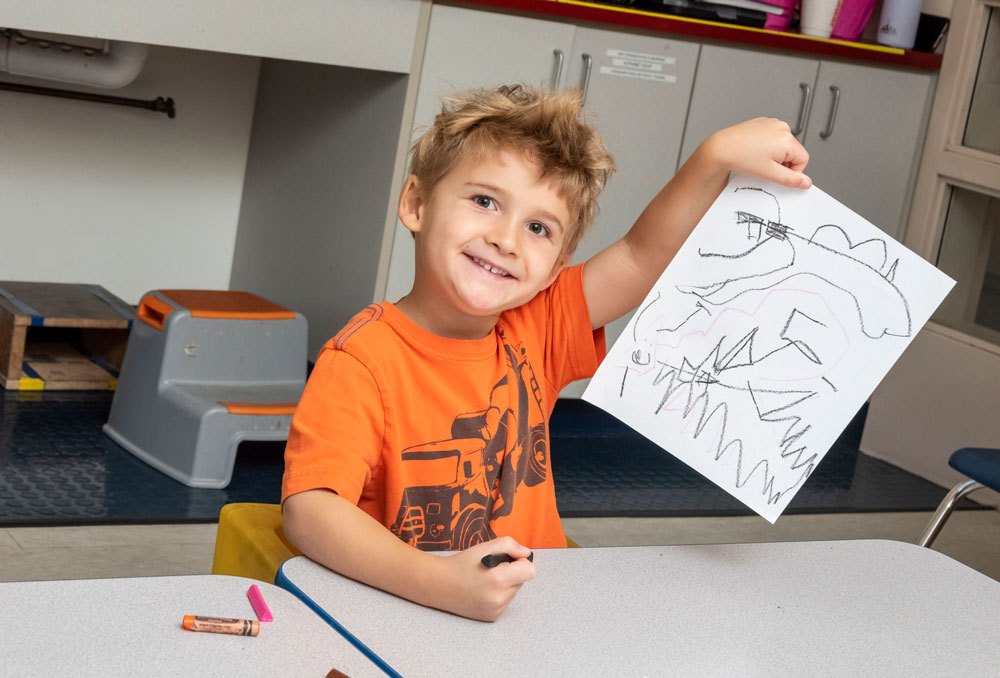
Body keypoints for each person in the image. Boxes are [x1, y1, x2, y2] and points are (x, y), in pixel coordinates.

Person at [281, 84, 810, 622]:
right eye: (485, 201)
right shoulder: (361, 359)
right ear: (417, 204)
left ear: (556, 267)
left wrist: (712, 157)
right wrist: (438, 581)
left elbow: (639, 255)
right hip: (408, 612)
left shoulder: (536, 326)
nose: (506, 240)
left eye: (538, 228)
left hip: (535, 612)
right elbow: (309, 509)